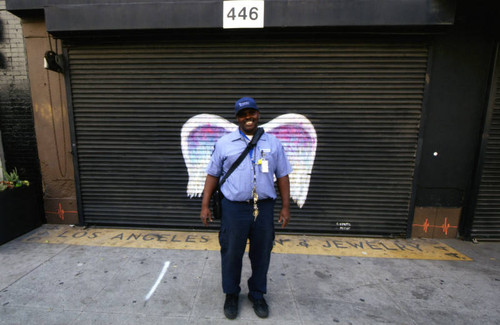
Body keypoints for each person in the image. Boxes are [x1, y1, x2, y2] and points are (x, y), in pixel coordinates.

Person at [200, 96, 292, 319]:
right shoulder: (224, 143)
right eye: (243, 114)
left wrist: (286, 207)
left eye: (251, 113)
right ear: (237, 118)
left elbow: (282, 175)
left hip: (264, 207)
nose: (248, 118)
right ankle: (231, 294)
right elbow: (212, 175)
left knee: (262, 254)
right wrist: (205, 205)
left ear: (258, 114)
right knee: (231, 253)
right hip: (234, 209)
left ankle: (257, 293)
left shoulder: (273, 143)